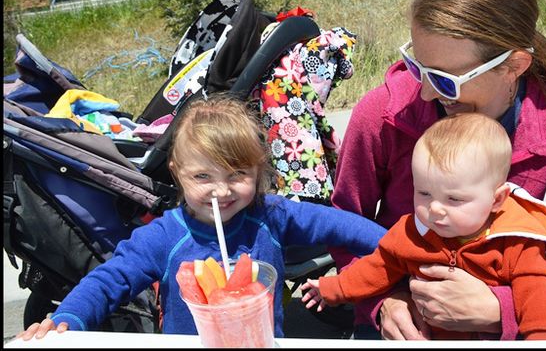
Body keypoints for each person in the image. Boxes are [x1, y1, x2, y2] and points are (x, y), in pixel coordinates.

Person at [328, 0, 546, 340]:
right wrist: (383, 301)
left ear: (515, 65)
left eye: (447, 81)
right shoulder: (382, 115)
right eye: (420, 69)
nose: (429, 92)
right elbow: (344, 226)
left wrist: (502, 308)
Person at [17, 93, 387, 341]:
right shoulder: (164, 236)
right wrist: (66, 320)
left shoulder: (271, 216)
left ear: (258, 173)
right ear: (177, 173)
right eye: (202, 177)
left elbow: (340, 225)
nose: (221, 191)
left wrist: (395, 247)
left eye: (237, 175)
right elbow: (109, 281)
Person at [302, 112, 546, 340]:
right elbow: (375, 268)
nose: (435, 208)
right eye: (424, 193)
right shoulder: (411, 233)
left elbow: (539, 295)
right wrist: (333, 289)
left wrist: (542, 340)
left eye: (454, 199)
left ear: (497, 199)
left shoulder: (515, 243)